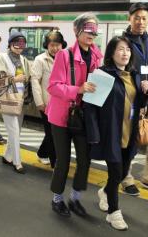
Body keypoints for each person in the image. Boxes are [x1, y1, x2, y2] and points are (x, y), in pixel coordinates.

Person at [84, 36, 148, 230]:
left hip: (129, 133)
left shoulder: (134, 75)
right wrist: (94, 134)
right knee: (115, 172)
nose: (125, 53)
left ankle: (105, 192)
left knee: (121, 173)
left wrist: (145, 93)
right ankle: (113, 212)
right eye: (120, 49)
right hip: (110, 132)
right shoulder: (102, 75)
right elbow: (90, 107)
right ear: (112, 53)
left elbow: (140, 106)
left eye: (128, 50)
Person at [46, 13, 103, 217]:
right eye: (88, 29)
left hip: (84, 116)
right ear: (77, 31)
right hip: (62, 116)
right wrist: (78, 89)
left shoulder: (97, 55)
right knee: (63, 160)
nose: (92, 34)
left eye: (95, 30)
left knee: (85, 160)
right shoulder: (65, 55)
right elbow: (53, 86)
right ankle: (57, 199)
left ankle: (75, 199)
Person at [121, 2, 148, 195]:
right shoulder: (121, 42)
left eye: (144, 18)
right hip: (130, 99)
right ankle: (125, 177)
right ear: (129, 18)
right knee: (130, 141)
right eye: (136, 17)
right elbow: (117, 70)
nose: (140, 21)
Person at [0, 31, 31, 174]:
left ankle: (7, 157)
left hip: (20, 99)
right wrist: (15, 79)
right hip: (8, 99)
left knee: (17, 131)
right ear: (10, 44)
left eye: (22, 44)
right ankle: (17, 162)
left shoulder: (24, 59)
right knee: (14, 131)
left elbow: (28, 77)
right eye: (16, 43)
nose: (19, 47)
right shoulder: (2, 57)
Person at [31, 31, 67, 167]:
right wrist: (39, 102)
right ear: (47, 45)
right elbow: (35, 81)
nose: (55, 48)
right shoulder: (40, 59)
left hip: (61, 102)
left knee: (53, 133)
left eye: (58, 45)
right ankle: (54, 163)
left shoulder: (65, 57)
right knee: (52, 133)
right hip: (46, 103)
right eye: (52, 45)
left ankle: (42, 153)